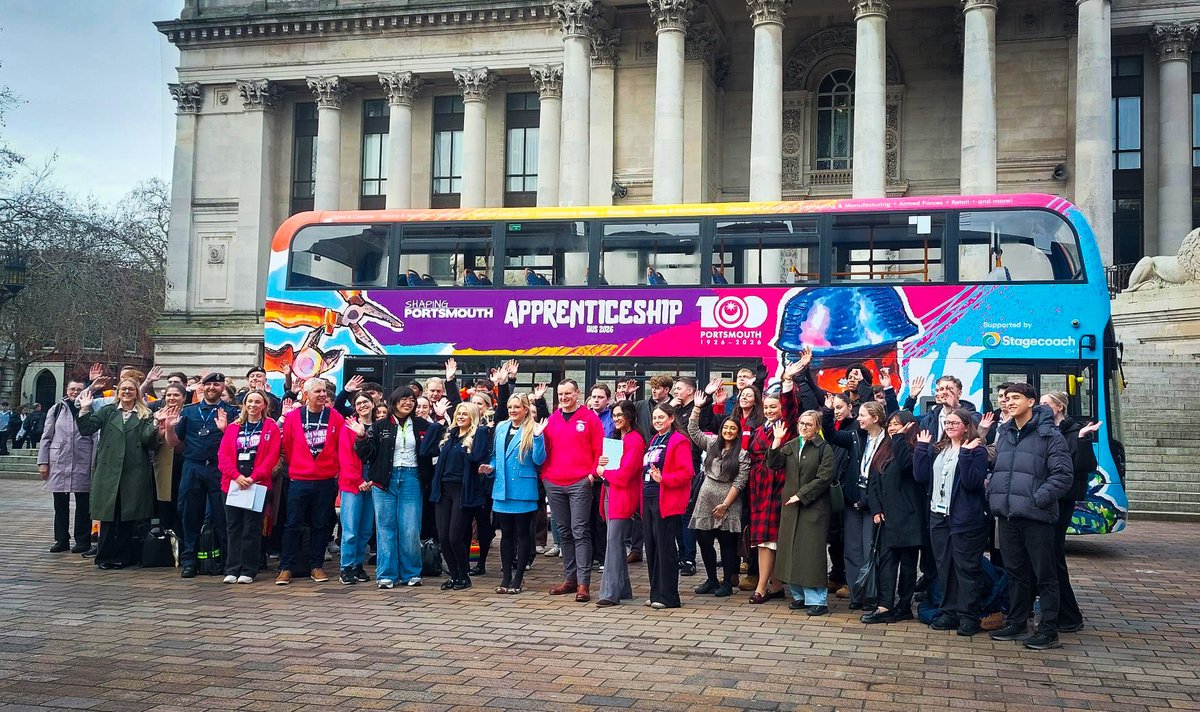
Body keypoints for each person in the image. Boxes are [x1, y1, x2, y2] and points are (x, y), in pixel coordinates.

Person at [987, 383, 1073, 650]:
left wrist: (1037, 499)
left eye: (1016, 398)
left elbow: (1063, 476)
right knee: (1016, 573)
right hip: (1009, 515)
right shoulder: (1005, 432)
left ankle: (1048, 631)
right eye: (1007, 398)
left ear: (1032, 402)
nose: (1009, 402)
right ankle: (1017, 622)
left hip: (1036, 517)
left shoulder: (1049, 434)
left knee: (1044, 575)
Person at [913, 408, 990, 636]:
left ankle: (969, 615)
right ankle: (949, 611)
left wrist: (965, 455)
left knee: (966, 569)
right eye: (947, 423)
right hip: (938, 517)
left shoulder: (977, 450)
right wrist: (921, 449)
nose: (950, 426)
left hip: (965, 521)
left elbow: (973, 482)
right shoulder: (940, 448)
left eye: (955, 422)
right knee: (944, 567)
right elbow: (921, 476)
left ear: (967, 425)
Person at [74, 378, 159, 569]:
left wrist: (155, 425)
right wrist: (85, 409)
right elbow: (86, 429)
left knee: (127, 515)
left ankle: (122, 556)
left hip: (134, 470)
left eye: (131, 389)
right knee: (108, 516)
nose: (127, 392)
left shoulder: (145, 413)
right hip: (109, 470)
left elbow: (147, 440)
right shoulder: (107, 411)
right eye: (123, 389)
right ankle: (104, 556)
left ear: (137, 392)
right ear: (118, 392)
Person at [355, 388, 435, 589]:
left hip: (412, 477)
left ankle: (411, 572)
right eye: (404, 399)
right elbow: (366, 455)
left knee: (410, 528)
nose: (408, 403)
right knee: (385, 527)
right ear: (394, 400)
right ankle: (386, 574)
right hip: (384, 481)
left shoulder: (422, 425)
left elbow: (434, 446)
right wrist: (361, 438)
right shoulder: (379, 425)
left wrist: (439, 419)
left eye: (412, 400)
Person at [165, 373, 242, 579]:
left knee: (222, 516)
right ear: (202, 387)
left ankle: (228, 561)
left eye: (216, 384)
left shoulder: (232, 412)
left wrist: (226, 430)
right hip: (193, 467)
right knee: (189, 515)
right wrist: (168, 427)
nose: (212, 388)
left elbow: (238, 445)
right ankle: (189, 560)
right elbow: (173, 443)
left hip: (219, 469)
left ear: (222, 387)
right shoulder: (189, 412)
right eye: (208, 384)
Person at [1040, 390, 1101, 634]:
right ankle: (1057, 611)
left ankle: (1068, 614)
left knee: (1054, 557)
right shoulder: (1043, 429)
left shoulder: (1073, 431)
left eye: (1046, 404)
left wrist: (1083, 439)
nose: (1042, 407)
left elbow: (1085, 465)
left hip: (1060, 501)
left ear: (1059, 407)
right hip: (1046, 500)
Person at [767, 409, 837, 615]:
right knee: (791, 550)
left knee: (811, 552)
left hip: (813, 507)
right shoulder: (791, 445)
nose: (804, 427)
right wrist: (776, 441)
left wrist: (802, 494)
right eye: (801, 423)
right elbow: (773, 464)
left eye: (808, 424)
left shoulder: (824, 448)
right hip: (791, 507)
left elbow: (824, 477)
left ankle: (818, 600)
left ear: (817, 427)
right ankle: (800, 595)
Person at [277, 378, 346, 585]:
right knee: (292, 524)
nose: (322, 395)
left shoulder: (335, 417)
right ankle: (286, 567)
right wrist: (300, 465)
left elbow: (339, 446)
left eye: (324, 391)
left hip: (325, 480)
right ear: (306, 395)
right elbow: (288, 445)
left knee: (321, 524)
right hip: (299, 479)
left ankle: (316, 566)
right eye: (317, 391)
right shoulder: (293, 417)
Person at [541, 379, 603, 603]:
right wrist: (545, 475)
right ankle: (569, 578)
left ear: (577, 394)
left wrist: (592, 474)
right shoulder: (552, 420)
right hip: (554, 482)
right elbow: (544, 449)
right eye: (560, 393)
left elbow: (600, 449)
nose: (564, 397)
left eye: (568, 393)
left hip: (579, 482)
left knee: (580, 530)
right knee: (564, 532)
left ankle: (583, 583)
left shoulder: (590, 419)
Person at [424, 402, 494, 590]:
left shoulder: (476, 436)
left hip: (462, 492)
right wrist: (437, 422)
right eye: (458, 413)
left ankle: (464, 575)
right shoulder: (450, 436)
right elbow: (426, 450)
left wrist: (480, 431)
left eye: (465, 414)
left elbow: (478, 456)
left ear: (472, 417)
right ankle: (454, 576)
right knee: (444, 537)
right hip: (442, 491)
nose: (461, 416)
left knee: (455, 537)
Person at [686, 391, 750, 598]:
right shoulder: (712, 443)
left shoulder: (742, 454)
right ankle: (711, 579)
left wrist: (725, 504)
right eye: (726, 428)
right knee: (703, 540)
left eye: (733, 428)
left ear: (738, 432)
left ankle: (727, 582)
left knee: (727, 544)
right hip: (705, 498)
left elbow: (740, 482)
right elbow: (693, 431)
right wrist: (697, 407)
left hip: (729, 501)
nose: (728, 431)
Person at [824, 399, 886, 612]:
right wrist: (827, 411)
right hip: (852, 499)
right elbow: (831, 434)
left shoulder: (887, 441)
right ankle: (856, 593)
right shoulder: (855, 436)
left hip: (874, 501)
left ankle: (871, 593)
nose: (858, 419)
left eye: (862, 415)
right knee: (852, 549)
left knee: (870, 548)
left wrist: (868, 500)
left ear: (875, 418)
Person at [861, 410, 922, 624]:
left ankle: (904, 606)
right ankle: (884, 605)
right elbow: (873, 481)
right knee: (886, 563)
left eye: (897, 424)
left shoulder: (915, 447)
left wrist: (899, 439)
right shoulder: (884, 448)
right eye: (891, 424)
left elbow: (906, 465)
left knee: (907, 565)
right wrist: (876, 508)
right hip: (886, 518)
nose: (892, 427)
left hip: (908, 518)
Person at [217, 389, 282, 584]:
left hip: (257, 485)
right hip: (233, 485)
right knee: (233, 527)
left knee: (251, 528)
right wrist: (236, 476)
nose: (253, 405)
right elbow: (223, 456)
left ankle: (248, 569)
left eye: (257, 402)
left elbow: (272, 456)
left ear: (265, 406)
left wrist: (253, 478)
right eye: (250, 402)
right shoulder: (233, 428)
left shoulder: (270, 427)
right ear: (244, 405)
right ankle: (232, 567)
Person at [489, 394, 547, 594]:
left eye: (517, 407)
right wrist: (490, 467)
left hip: (523, 489)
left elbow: (539, 460)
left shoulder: (533, 429)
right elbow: (496, 456)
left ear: (525, 409)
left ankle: (519, 577)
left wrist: (539, 438)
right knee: (505, 535)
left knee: (523, 535)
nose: (513, 410)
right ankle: (506, 577)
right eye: (510, 406)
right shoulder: (501, 427)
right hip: (502, 489)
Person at [641, 402, 694, 609]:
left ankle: (669, 596)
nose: (657, 421)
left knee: (665, 548)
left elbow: (686, 472)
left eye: (661, 417)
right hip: (648, 498)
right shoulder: (654, 439)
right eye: (654, 418)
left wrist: (664, 478)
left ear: (671, 418)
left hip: (666, 500)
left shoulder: (678, 440)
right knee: (652, 547)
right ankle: (656, 592)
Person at [596, 400, 646, 606]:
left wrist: (604, 472)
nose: (616, 419)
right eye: (614, 415)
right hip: (611, 492)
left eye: (620, 415)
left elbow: (625, 474)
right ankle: (623, 590)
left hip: (622, 495)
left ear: (630, 417)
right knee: (614, 542)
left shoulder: (634, 440)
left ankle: (610, 593)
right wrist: (602, 466)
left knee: (614, 544)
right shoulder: (618, 438)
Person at [745, 390, 793, 604]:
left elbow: (791, 406)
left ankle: (761, 587)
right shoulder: (759, 428)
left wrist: (788, 382)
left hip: (775, 484)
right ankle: (776, 584)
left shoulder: (786, 426)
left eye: (774, 406)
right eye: (766, 407)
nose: (769, 410)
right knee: (764, 539)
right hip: (757, 485)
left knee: (767, 539)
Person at [38, 380, 96, 554]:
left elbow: (95, 438)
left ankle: (82, 540)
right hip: (60, 460)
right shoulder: (56, 410)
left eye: (79, 389)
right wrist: (43, 462)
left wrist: (94, 464)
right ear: (67, 390)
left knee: (84, 503)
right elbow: (46, 436)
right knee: (60, 503)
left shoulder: (90, 408)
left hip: (82, 459)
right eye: (72, 389)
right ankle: (61, 539)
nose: (75, 392)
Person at [336, 394, 377, 585]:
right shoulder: (348, 426)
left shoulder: (379, 425)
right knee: (351, 527)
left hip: (373, 479)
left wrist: (373, 479)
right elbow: (344, 456)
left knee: (366, 528)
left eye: (365, 402)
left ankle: (358, 564)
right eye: (358, 403)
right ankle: (347, 567)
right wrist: (357, 479)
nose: (362, 406)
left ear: (372, 404)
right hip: (352, 480)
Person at [151, 384, 187, 531]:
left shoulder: (189, 413)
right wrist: (159, 429)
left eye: (176, 395)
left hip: (184, 463)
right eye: (169, 395)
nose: (172, 398)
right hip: (164, 465)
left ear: (184, 397)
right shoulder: (156, 414)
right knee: (165, 507)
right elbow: (148, 441)